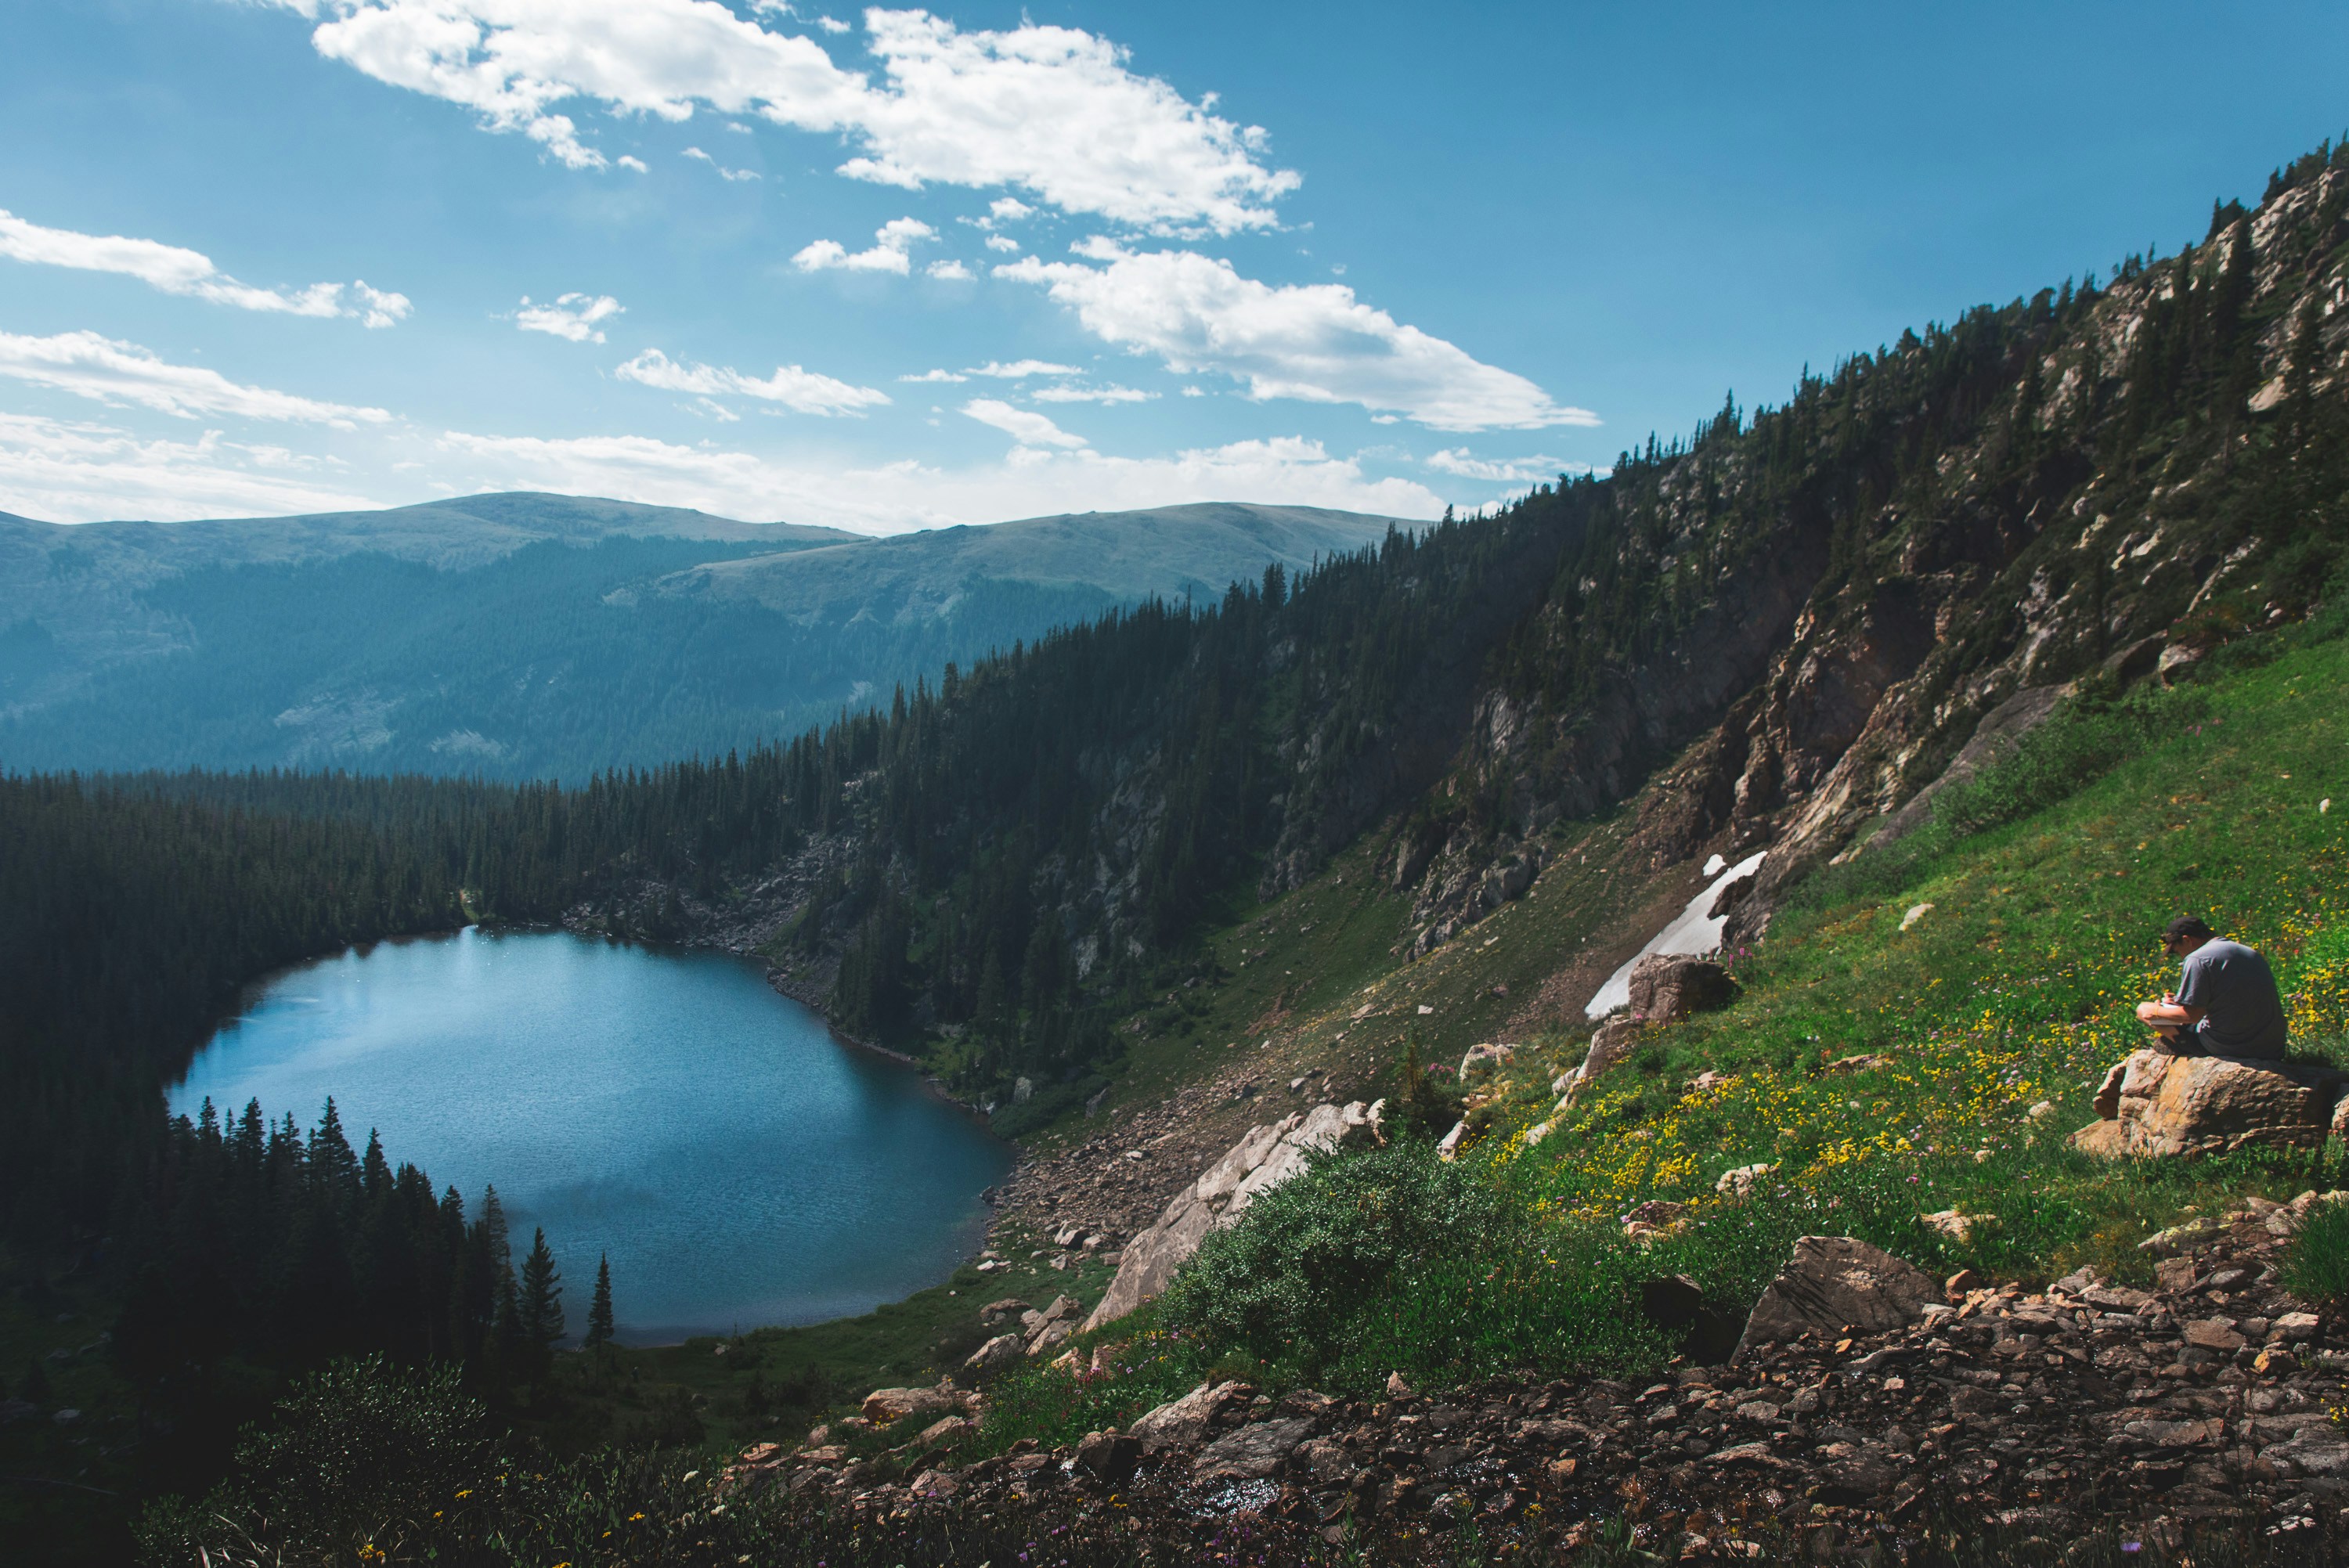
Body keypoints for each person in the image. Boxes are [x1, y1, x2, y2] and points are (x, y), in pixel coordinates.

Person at [2134, 915, 2288, 1061]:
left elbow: (2192, 1016)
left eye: (2176, 951)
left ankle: (2181, 1044)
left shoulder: (2198, 959)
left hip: (2234, 1048)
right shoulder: (2247, 951)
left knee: (2143, 1009)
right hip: (2272, 1048)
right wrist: (2178, 1003)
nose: (2180, 956)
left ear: (2187, 940)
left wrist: (2155, 1011)